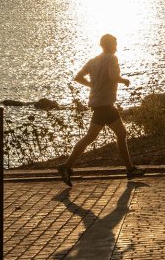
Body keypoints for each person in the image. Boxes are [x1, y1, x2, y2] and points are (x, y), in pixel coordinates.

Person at [57, 34, 145, 186]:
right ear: (109, 45)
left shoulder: (93, 61)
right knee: (119, 134)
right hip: (105, 105)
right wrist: (123, 80)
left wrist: (92, 86)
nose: (116, 46)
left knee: (92, 137)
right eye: (115, 43)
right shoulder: (111, 58)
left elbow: (78, 77)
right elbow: (113, 76)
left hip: (98, 104)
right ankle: (130, 170)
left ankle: (66, 166)